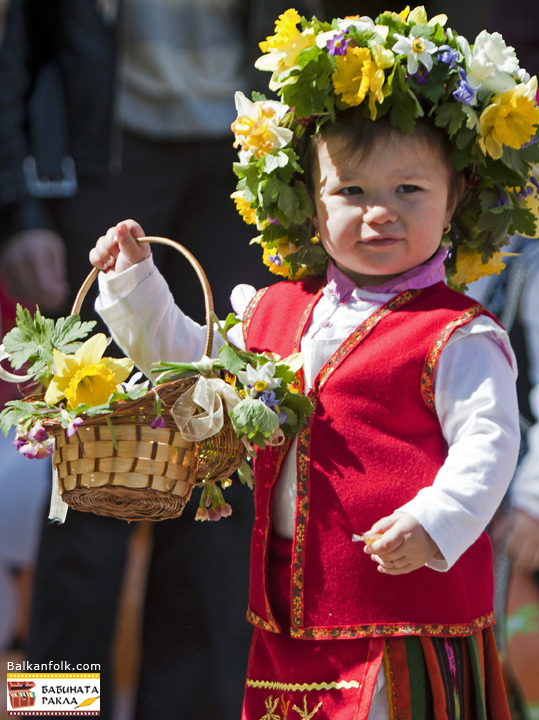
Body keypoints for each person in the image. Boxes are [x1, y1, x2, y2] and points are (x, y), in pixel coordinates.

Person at [87, 7, 539, 717]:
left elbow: (489, 441)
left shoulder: (457, 334)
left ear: (454, 201)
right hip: (293, 617)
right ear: (309, 204)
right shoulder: (274, 309)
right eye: (350, 192)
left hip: (402, 622)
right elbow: (193, 367)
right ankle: (47, 696)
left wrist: (438, 520)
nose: (378, 213)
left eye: (407, 191)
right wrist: (135, 283)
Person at [0, 2, 321, 719]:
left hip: (242, 154)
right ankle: (51, 712)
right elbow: (14, 41)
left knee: (222, 459)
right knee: (88, 470)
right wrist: (16, 209)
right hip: (102, 157)